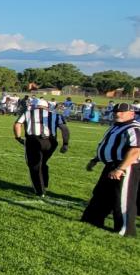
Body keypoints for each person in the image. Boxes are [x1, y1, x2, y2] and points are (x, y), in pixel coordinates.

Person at [83, 103, 140, 235]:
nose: (117, 113)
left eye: (121, 111)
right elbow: (107, 146)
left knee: (122, 198)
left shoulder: (134, 128)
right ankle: (92, 220)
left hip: (126, 167)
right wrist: (95, 159)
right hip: (111, 165)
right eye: (116, 111)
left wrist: (121, 169)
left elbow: (135, 151)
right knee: (100, 194)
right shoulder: (115, 127)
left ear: (132, 113)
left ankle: (125, 230)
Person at [14, 98, 69, 197]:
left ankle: (40, 191)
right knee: (43, 162)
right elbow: (64, 129)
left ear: (35, 106)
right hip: (50, 142)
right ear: (47, 107)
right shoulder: (55, 115)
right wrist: (65, 143)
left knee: (34, 165)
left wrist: (18, 138)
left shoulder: (28, 113)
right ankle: (44, 184)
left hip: (34, 140)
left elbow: (17, 125)